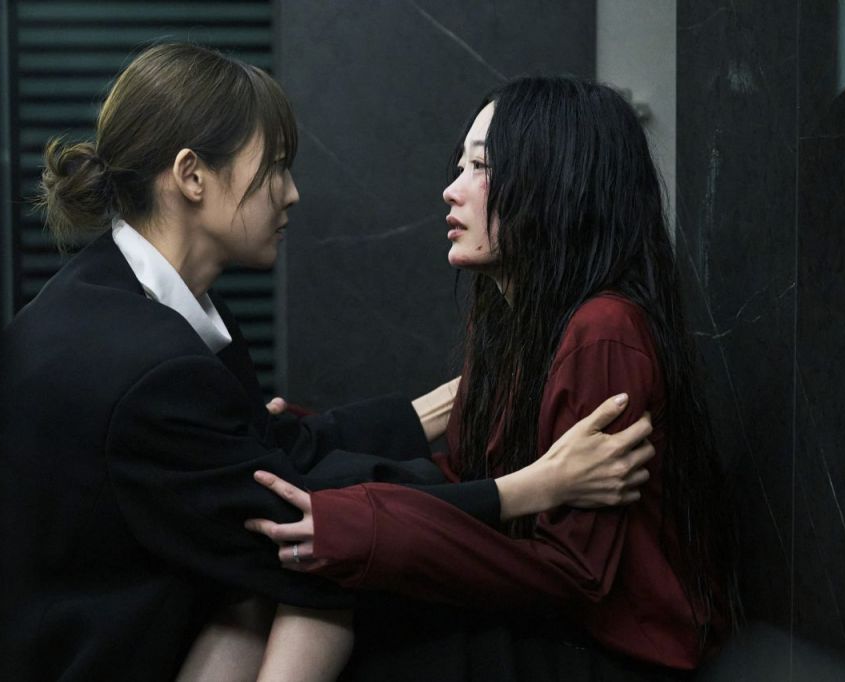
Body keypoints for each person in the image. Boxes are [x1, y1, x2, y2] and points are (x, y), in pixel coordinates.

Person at [5, 44, 656, 681]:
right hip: (94, 657)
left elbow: (281, 457)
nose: (290, 194)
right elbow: (293, 526)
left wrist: (438, 412)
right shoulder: (146, 361)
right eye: (275, 168)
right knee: (314, 593)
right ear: (191, 176)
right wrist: (530, 487)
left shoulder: (134, 302)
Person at [249, 76, 739, 680]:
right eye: (461, 165)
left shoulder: (604, 330)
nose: (451, 189)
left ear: (555, 182)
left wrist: (369, 528)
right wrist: (313, 454)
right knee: (305, 575)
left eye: (480, 166)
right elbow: (467, 479)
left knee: (333, 595)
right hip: (549, 624)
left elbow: (576, 572)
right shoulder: (518, 320)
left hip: (613, 655)